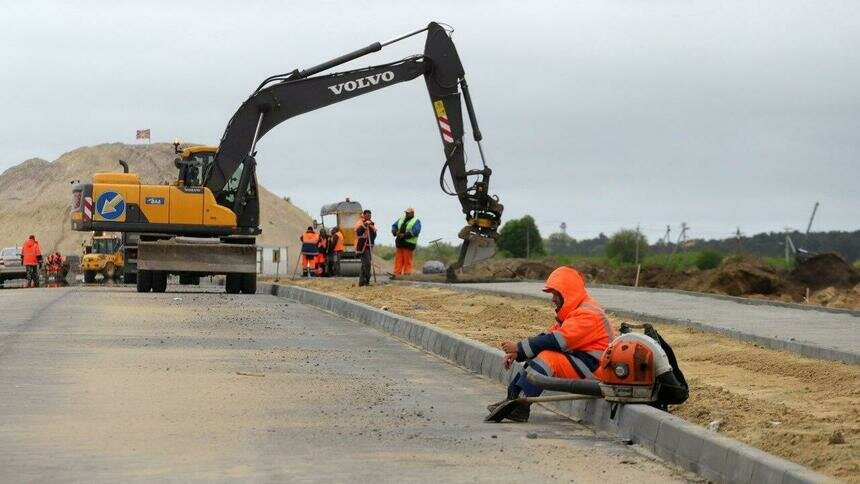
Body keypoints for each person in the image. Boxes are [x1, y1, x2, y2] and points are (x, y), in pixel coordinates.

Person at [489, 267, 615, 422]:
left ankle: (520, 407)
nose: (553, 299)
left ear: (567, 293)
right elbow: (549, 336)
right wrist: (519, 353)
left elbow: (558, 340)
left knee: (547, 358)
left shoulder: (588, 314)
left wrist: (519, 347)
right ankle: (512, 399)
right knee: (537, 354)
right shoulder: (578, 310)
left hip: (596, 369)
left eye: (556, 294)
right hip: (585, 363)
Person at [391, 207, 421, 276]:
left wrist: (404, 235)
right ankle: (396, 273)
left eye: (408, 213)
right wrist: (395, 232)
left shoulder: (416, 221)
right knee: (398, 260)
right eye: (406, 213)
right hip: (400, 242)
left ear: (412, 213)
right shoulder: (401, 218)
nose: (406, 214)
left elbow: (416, 231)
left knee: (407, 261)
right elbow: (394, 226)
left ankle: (407, 275)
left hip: (408, 244)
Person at [353, 209, 377, 286]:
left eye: (370, 215)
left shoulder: (371, 223)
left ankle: (362, 282)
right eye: (367, 215)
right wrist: (364, 225)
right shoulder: (360, 222)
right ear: (364, 215)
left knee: (365, 265)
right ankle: (366, 281)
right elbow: (358, 232)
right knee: (367, 264)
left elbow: (374, 234)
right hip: (362, 247)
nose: (369, 216)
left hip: (369, 246)